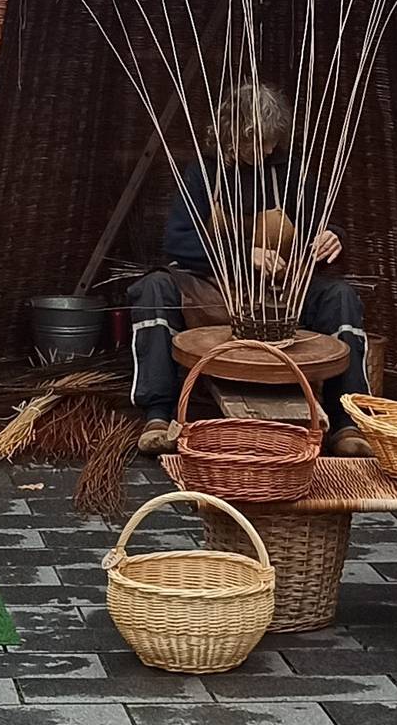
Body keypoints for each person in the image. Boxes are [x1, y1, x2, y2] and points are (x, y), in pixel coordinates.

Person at [122, 84, 371, 456]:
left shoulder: (286, 173)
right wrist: (243, 255)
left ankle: (346, 421)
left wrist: (331, 236)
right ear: (232, 135)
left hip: (280, 298)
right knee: (154, 288)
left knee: (340, 297)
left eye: (273, 142)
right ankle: (159, 415)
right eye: (260, 142)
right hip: (216, 294)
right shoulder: (202, 174)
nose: (269, 150)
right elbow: (178, 242)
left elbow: (320, 223)